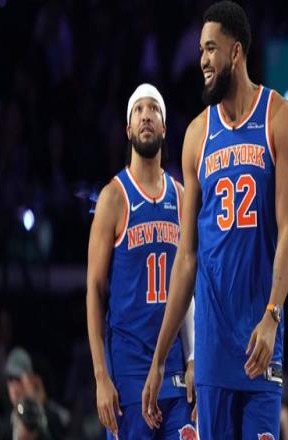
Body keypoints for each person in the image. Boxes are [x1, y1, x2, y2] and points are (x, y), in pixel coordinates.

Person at [142, 2, 288, 439]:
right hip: (212, 347)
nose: (202, 60)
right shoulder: (197, 135)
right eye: (200, 50)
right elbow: (186, 258)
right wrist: (161, 359)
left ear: (236, 52)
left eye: (211, 48)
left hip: (259, 339)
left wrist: (272, 315)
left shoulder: (279, 118)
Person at [86, 83, 196, 439]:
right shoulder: (113, 197)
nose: (146, 115)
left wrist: (192, 358)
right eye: (138, 110)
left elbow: (187, 289)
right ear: (128, 129)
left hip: (173, 373)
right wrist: (101, 376)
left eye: (153, 109)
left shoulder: (181, 197)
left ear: (164, 128)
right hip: (128, 374)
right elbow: (94, 290)